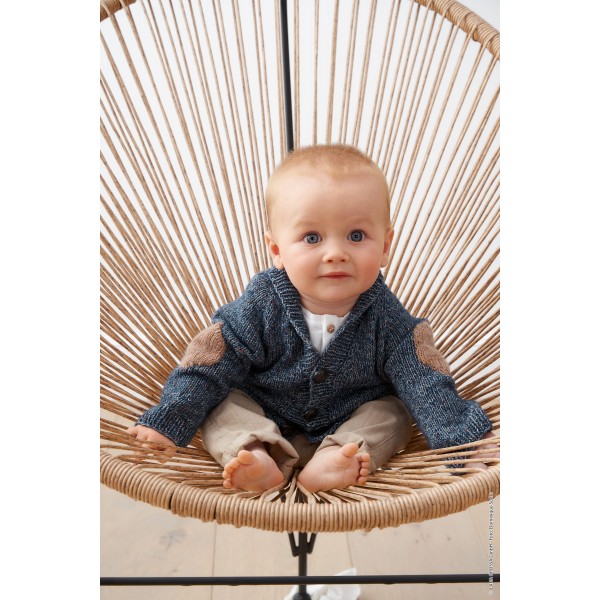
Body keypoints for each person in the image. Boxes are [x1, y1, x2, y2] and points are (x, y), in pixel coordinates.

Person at [127, 144, 498, 493]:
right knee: (224, 403)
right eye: (312, 238)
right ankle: (253, 452)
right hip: (262, 413)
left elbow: (425, 382)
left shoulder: (388, 319)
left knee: (395, 410)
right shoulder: (261, 304)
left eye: (356, 235)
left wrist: (463, 443)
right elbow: (208, 363)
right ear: (277, 249)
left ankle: (338, 457)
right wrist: (169, 419)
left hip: (348, 422)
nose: (335, 253)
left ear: (385, 246)